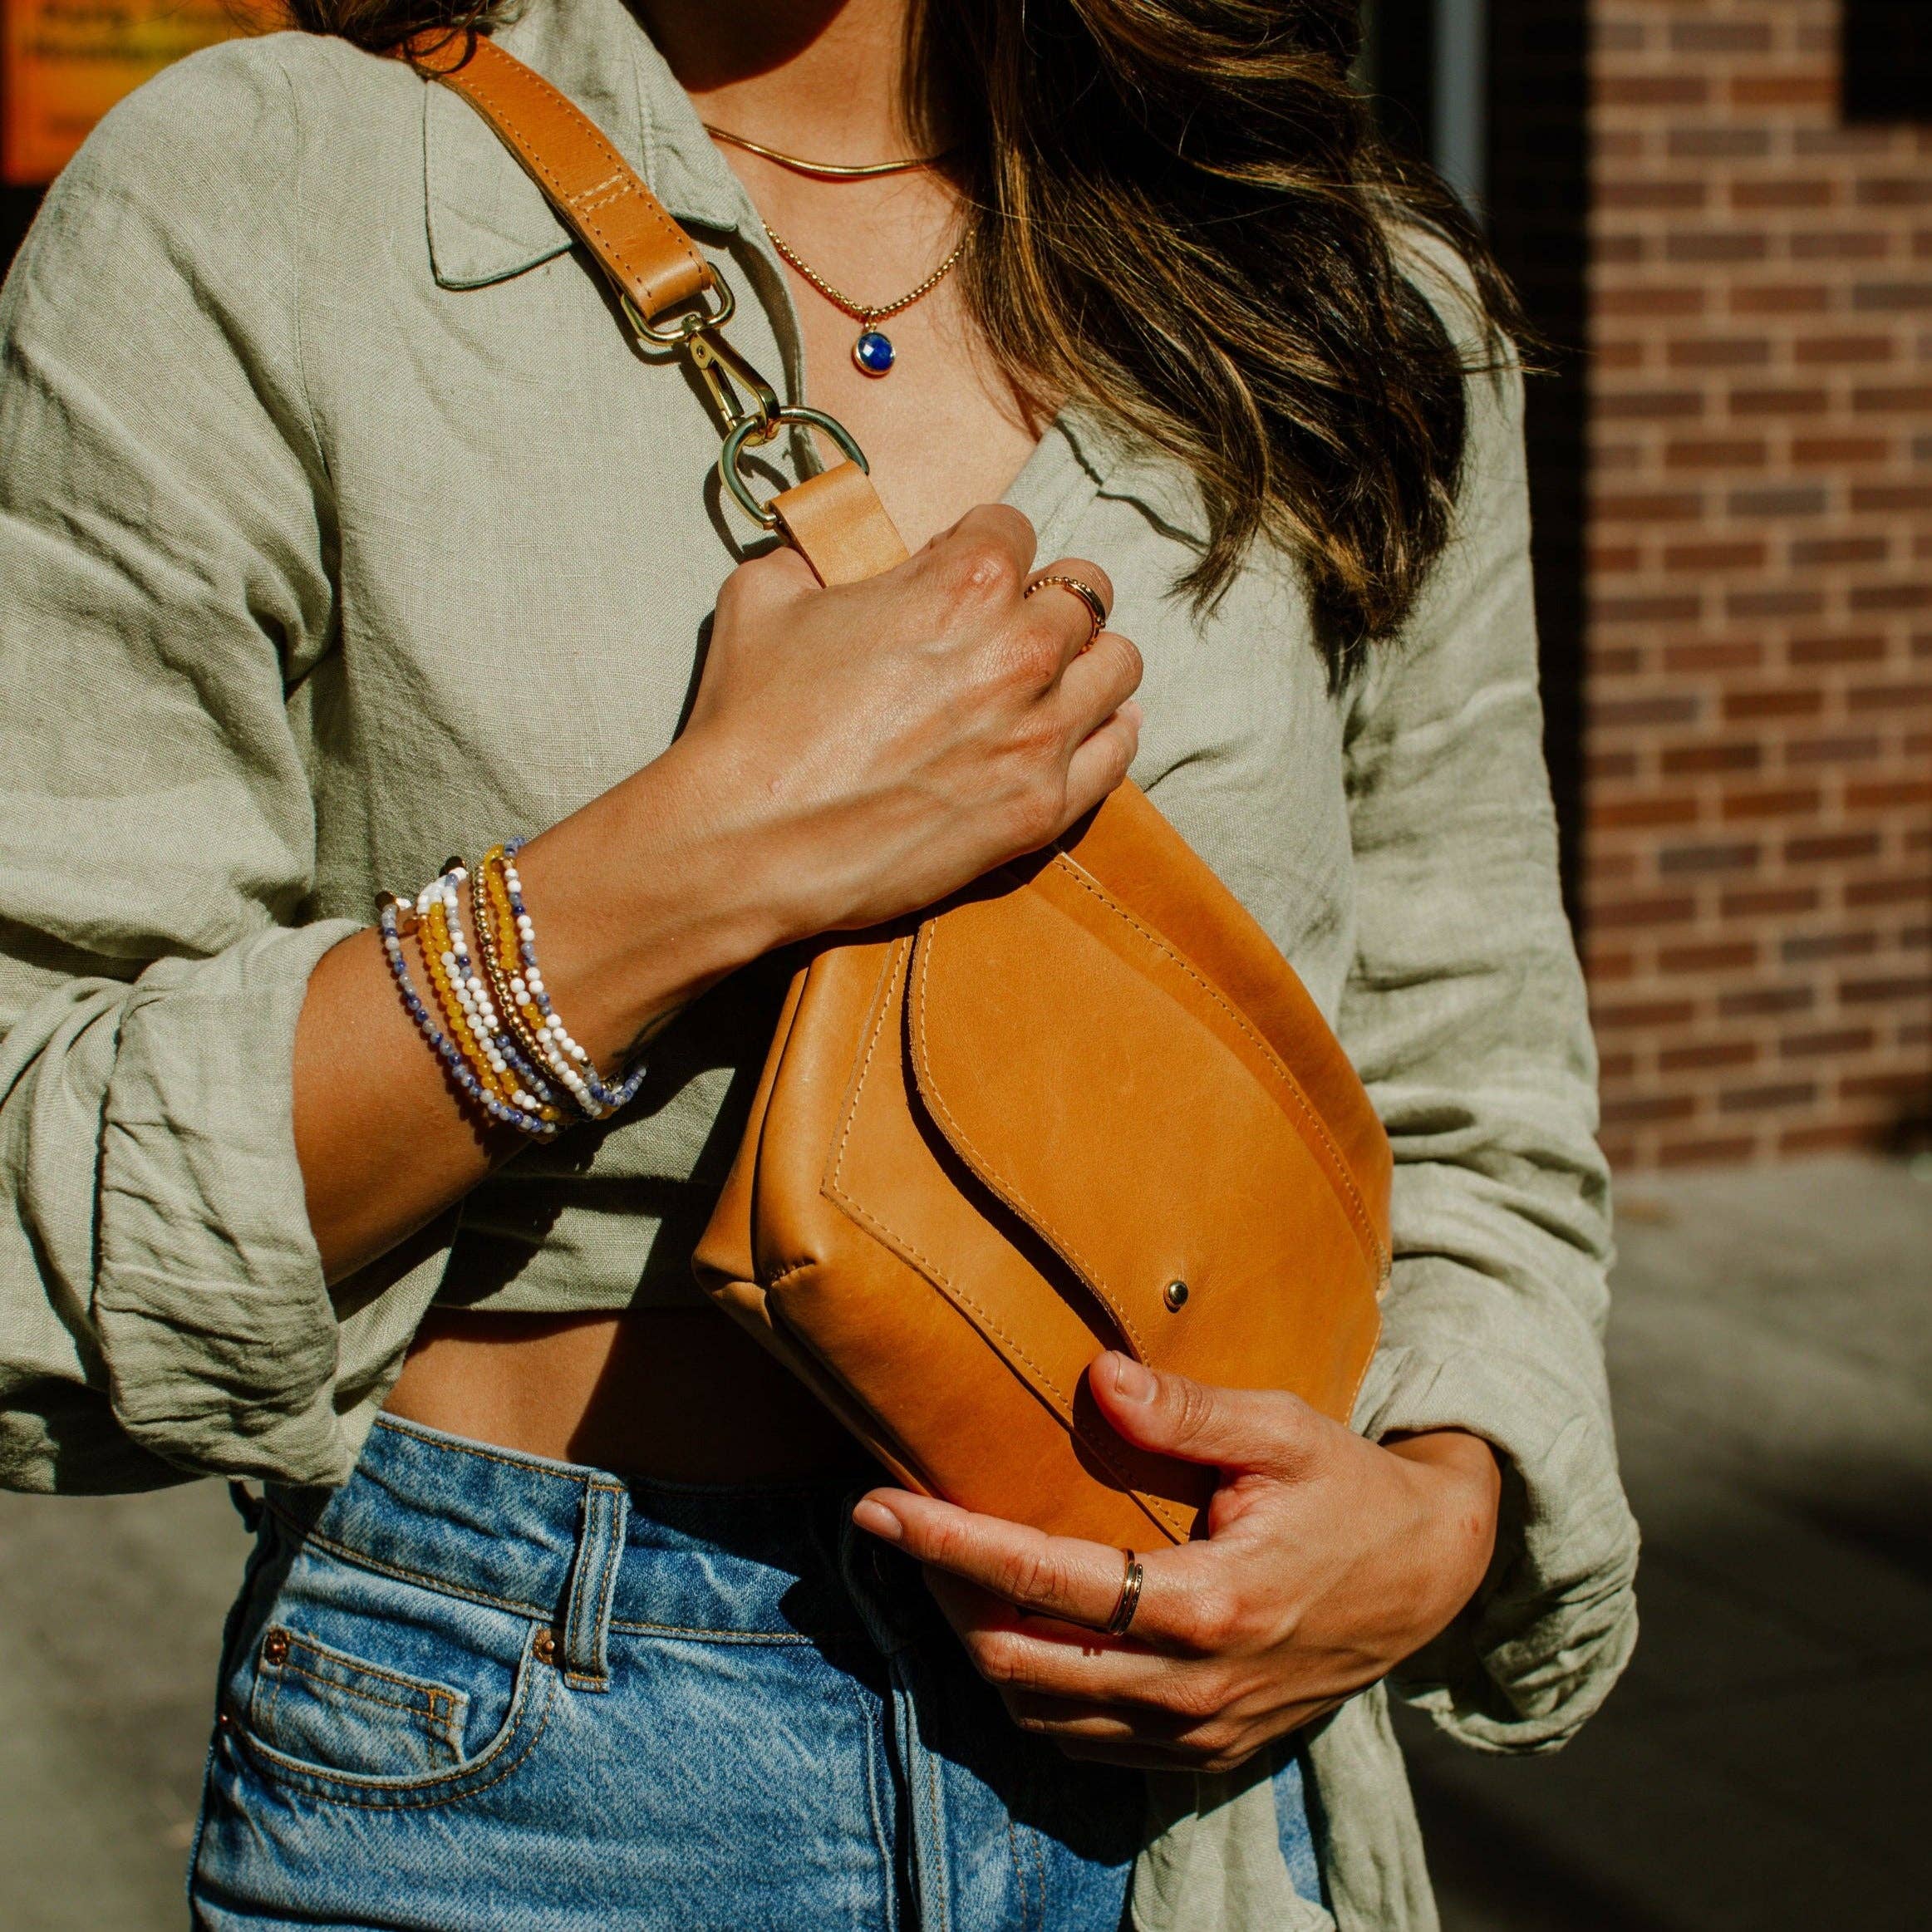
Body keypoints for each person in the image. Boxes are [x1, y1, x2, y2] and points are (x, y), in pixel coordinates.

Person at [0, 0, 1638, 1925]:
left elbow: (1474, 1079)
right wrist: (680, 870)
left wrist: (1434, 1520)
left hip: (1195, 1792)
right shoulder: (268, 194)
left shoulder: (1329, 266)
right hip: (531, 1762)